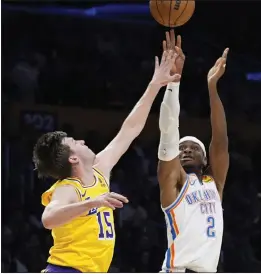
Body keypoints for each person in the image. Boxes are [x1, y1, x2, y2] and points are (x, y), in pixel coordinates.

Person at [33, 50, 180, 273]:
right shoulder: (68, 189)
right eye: (75, 142)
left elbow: (130, 129)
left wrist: (155, 85)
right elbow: (48, 218)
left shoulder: (100, 169)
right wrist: (92, 203)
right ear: (73, 158)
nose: (82, 140)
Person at [157, 30, 229, 273]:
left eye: (193, 148)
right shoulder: (174, 183)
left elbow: (220, 139)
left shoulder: (214, 184)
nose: (186, 150)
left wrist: (212, 87)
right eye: (181, 149)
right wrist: (174, 83)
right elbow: (168, 130)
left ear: (205, 158)